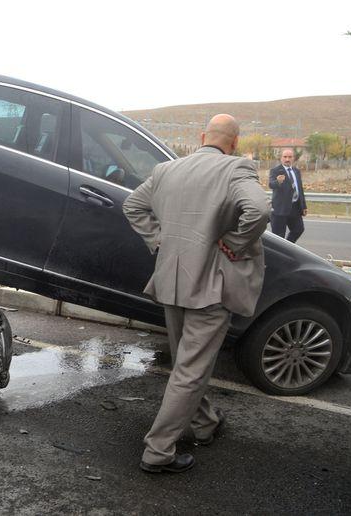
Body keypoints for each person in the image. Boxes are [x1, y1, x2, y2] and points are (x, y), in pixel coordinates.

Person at [123, 114, 269, 473]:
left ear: (203, 136)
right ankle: (158, 451)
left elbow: (133, 205)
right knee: (190, 370)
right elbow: (260, 210)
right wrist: (235, 242)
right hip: (211, 286)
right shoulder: (236, 169)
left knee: (188, 364)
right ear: (234, 143)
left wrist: (159, 240)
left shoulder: (167, 170)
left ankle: (204, 424)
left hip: (172, 281)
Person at [269, 148, 307, 242]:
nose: (287, 159)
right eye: (285, 157)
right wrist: (278, 181)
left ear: (293, 158)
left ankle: (287, 248)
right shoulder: (275, 170)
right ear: (281, 158)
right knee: (278, 237)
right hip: (280, 210)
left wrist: (304, 206)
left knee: (298, 229)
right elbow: (271, 184)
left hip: (295, 208)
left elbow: (300, 189)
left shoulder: (296, 171)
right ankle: (279, 254)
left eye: (290, 157)